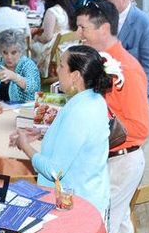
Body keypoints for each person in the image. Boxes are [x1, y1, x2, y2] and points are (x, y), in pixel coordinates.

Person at [75, 0, 149, 233]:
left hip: (121, 161)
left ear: (104, 28)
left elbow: (139, 128)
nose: (78, 34)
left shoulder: (126, 69)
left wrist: (94, 132)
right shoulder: (102, 62)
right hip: (112, 160)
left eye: (83, 28)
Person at [10, 45, 112, 215]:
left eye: (61, 65)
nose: (56, 70)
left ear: (75, 76)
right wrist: (44, 133)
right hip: (89, 195)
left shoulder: (80, 111)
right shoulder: (94, 99)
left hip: (77, 205)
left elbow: (54, 171)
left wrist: (25, 146)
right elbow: (78, 140)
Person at [101, 0, 149, 96]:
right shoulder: (102, 18)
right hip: (104, 92)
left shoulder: (145, 24)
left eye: (107, 0)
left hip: (131, 94)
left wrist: (134, 95)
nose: (104, 4)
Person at [30, 0, 75, 76]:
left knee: (29, 44)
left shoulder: (52, 11)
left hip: (56, 48)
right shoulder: (67, 8)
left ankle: (32, 74)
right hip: (68, 45)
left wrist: (35, 38)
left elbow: (47, 37)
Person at [0, 29, 40, 104]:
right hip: (1, 110)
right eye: (5, 52)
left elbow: (33, 87)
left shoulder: (28, 65)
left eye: (13, 53)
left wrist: (14, 77)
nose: (9, 57)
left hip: (24, 111)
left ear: (21, 51)